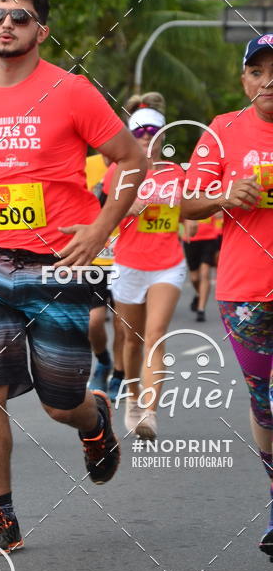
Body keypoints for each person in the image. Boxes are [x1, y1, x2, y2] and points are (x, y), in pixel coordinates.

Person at [0, 0, 146, 554]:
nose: (6, 25)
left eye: (19, 17)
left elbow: (134, 160)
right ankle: (2, 516)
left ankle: (94, 422)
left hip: (61, 264)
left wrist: (100, 227)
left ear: (41, 29)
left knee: (59, 401)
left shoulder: (73, 92)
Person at [181, 34, 273, 560]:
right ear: (244, 80)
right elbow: (189, 204)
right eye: (257, 71)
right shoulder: (222, 131)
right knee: (264, 404)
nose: (268, 80)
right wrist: (223, 195)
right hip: (245, 292)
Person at [104, 94, 186, 440]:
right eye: (139, 131)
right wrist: (126, 205)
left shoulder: (177, 173)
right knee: (131, 341)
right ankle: (134, 402)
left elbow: (192, 206)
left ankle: (150, 413)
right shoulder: (117, 172)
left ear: (163, 135)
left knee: (155, 336)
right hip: (129, 264)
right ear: (130, 134)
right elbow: (106, 213)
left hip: (168, 263)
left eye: (153, 131)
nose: (146, 137)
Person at [85, 151, 125, 399]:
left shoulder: (133, 166)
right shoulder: (87, 165)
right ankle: (102, 360)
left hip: (128, 257)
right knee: (94, 320)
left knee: (123, 323)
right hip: (96, 258)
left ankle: (120, 375)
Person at [183, 212, 222, 322]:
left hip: (209, 238)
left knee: (205, 273)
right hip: (190, 240)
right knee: (194, 278)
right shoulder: (186, 196)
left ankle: (201, 309)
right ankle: (199, 293)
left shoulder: (210, 194)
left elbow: (219, 211)